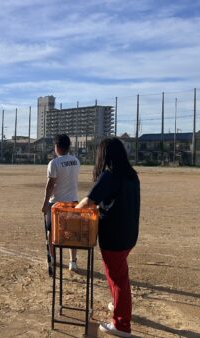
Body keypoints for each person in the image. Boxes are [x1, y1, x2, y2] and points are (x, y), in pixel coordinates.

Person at [75, 137, 140, 338]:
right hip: (129, 233)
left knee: (118, 277)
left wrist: (72, 211)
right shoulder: (131, 175)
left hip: (114, 235)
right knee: (117, 273)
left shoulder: (110, 176)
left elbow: (88, 201)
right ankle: (118, 304)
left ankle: (121, 324)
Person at [41, 134, 80, 272]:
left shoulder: (54, 163)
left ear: (57, 147)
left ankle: (52, 258)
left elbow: (50, 185)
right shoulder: (76, 161)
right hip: (73, 201)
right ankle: (73, 262)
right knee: (72, 232)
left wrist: (45, 203)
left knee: (51, 232)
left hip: (56, 204)